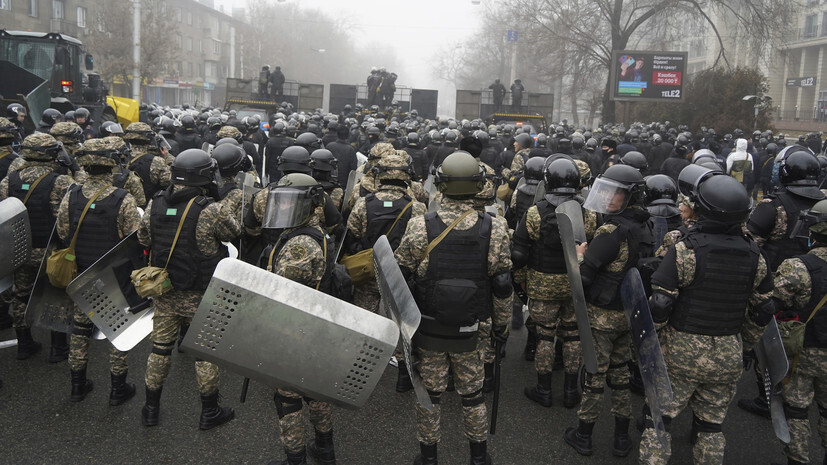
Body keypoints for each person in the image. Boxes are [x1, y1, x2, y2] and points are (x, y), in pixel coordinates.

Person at [639, 168, 774, 465]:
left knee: (658, 420)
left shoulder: (685, 250)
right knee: (711, 426)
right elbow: (763, 310)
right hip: (728, 352)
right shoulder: (756, 255)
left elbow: (660, 304)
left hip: (680, 351)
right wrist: (744, 344)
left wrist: (654, 342)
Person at [395, 151, 512, 465]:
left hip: (430, 327)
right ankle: (479, 457)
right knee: (472, 395)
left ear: (441, 184)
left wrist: (401, 329)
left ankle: (429, 458)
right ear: (478, 185)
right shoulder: (495, 228)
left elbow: (399, 277)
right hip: (474, 328)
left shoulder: (419, 226)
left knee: (430, 395)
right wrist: (502, 326)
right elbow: (502, 285)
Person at [138, 148, 239, 429]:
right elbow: (234, 232)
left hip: (165, 292)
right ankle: (209, 411)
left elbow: (143, 237)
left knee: (160, 350)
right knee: (203, 354)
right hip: (200, 295)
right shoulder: (211, 209)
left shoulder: (155, 203)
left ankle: (150, 409)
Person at [563, 164, 654, 458]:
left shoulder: (611, 231)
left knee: (595, 376)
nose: (606, 197)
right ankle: (621, 438)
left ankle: (584, 434)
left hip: (602, 317)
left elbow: (584, 277)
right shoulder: (646, 225)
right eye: (605, 191)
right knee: (621, 376)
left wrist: (579, 256)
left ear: (631, 196)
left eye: (615, 193)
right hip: (629, 314)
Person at [56, 137, 141, 404]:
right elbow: (136, 238)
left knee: (80, 329)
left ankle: (77, 386)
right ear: (111, 164)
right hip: (114, 277)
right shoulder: (123, 198)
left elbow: (62, 232)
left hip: (82, 274)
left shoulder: (71, 195)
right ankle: (118, 389)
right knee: (117, 329)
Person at [261, 173, 337, 465]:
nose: (282, 207)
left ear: (310, 204)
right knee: (316, 391)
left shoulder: (300, 245)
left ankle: (296, 459)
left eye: (289, 202)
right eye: (280, 202)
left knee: (288, 399)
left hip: (294, 331)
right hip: (315, 327)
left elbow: (284, 293)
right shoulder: (308, 232)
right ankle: (325, 449)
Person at [512, 157, 597, 410]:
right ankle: (571, 391)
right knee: (572, 337)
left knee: (545, 337)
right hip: (576, 285)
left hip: (542, 284)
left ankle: (544, 389)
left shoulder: (535, 212)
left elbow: (519, 254)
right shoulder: (589, 213)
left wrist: (520, 281)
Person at [0, 133, 76, 361]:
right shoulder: (60, 181)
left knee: (21, 295)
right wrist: (72, 166)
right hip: (50, 250)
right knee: (56, 294)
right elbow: (71, 212)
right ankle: (58, 348)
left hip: (20, 248)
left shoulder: (9, 180)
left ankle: (24, 344)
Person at [771, 198, 827, 465]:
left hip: (805, 350)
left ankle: (798, 460)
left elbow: (774, 303)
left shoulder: (798, 266)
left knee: (797, 409)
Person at [123, 122, 172, 205]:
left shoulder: (120, 157)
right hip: (147, 206)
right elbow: (168, 182)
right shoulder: (156, 161)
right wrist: (167, 157)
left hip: (120, 205)